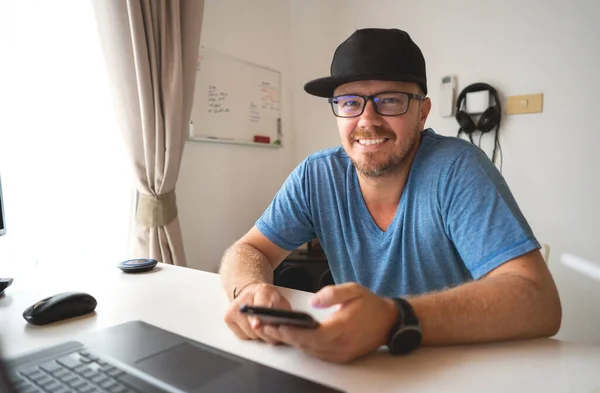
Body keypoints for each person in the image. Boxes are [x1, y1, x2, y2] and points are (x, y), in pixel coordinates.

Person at [219, 28, 561, 364]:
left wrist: (394, 318)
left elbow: (539, 301)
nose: (368, 120)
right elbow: (248, 250)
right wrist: (250, 290)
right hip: (360, 370)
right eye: (351, 102)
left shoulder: (458, 169)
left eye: (390, 101)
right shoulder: (317, 175)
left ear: (422, 112)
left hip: (456, 368)